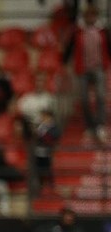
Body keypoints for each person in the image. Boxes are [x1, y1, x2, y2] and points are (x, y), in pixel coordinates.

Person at [63, 4, 111, 139]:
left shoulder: (103, 31)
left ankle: (100, 125)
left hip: (99, 68)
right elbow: (69, 48)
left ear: (96, 17)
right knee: (84, 99)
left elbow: (109, 46)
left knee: (101, 96)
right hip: (82, 69)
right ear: (85, 17)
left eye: (93, 15)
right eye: (88, 16)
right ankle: (89, 126)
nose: (90, 18)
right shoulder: (78, 31)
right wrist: (64, 62)